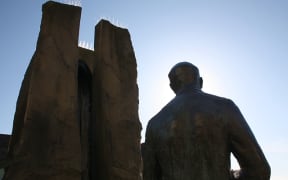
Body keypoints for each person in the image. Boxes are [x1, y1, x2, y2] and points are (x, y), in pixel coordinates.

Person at [142, 62, 270, 180]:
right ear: (201, 81)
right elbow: (259, 171)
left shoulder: (154, 124)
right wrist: (230, 175)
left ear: (172, 87)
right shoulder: (225, 107)